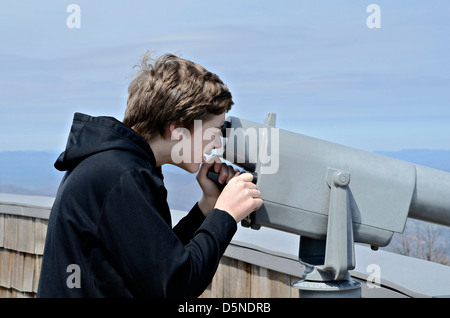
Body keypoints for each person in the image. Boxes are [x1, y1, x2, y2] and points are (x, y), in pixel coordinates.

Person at [37, 53, 263, 298]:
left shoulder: (117, 165)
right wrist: (225, 215)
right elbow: (176, 284)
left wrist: (207, 208)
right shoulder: (123, 175)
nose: (217, 144)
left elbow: (155, 267)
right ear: (178, 129)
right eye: (214, 132)